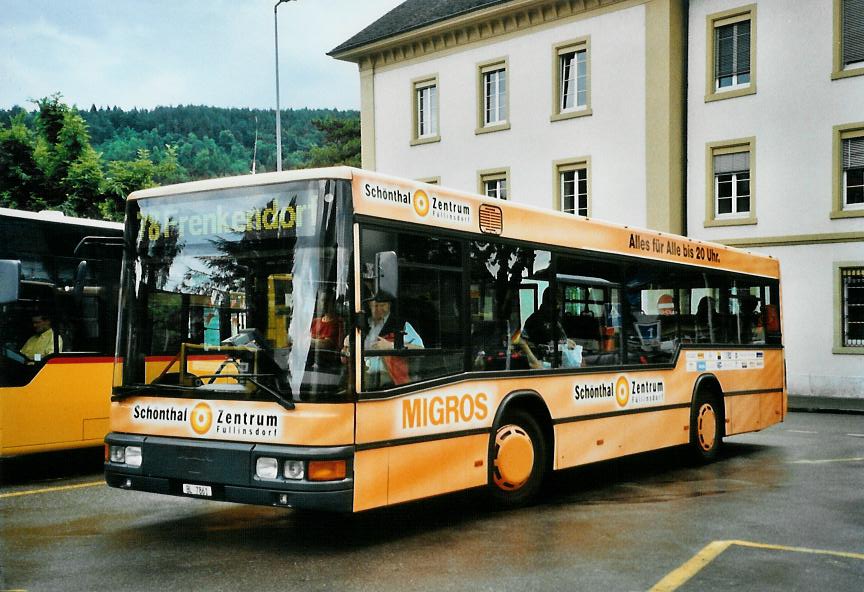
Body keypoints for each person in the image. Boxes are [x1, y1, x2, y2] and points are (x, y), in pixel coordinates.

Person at [363, 292, 423, 386]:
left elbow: (420, 349)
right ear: (369, 306)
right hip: (364, 375)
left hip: (389, 380)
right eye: (375, 306)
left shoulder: (401, 324)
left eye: (383, 305)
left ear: (389, 305)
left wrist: (391, 346)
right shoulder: (364, 325)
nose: (379, 309)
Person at [522, 287, 577, 366]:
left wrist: (566, 341)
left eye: (560, 305)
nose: (558, 308)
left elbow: (556, 338)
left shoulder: (556, 320)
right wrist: (535, 363)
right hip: (545, 366)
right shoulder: (534, 320)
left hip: (561, 364)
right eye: (555, 305)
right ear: (547, 303)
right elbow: (524, 344)